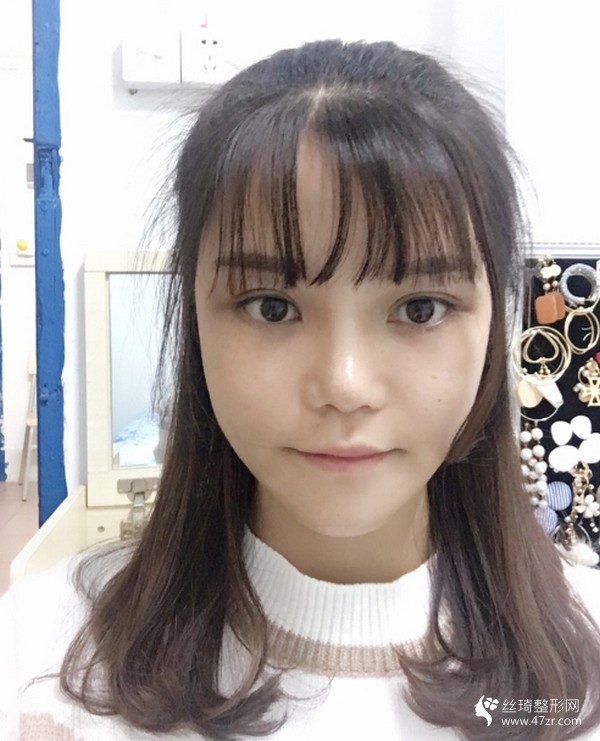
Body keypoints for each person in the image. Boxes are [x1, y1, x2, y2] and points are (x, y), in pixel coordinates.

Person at [2, 38, 600, 741]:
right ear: (195, 321)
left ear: (494, 322)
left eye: (420, 308)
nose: (345, 386)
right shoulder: (40, 658)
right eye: (272, 306)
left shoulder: (579, 672)